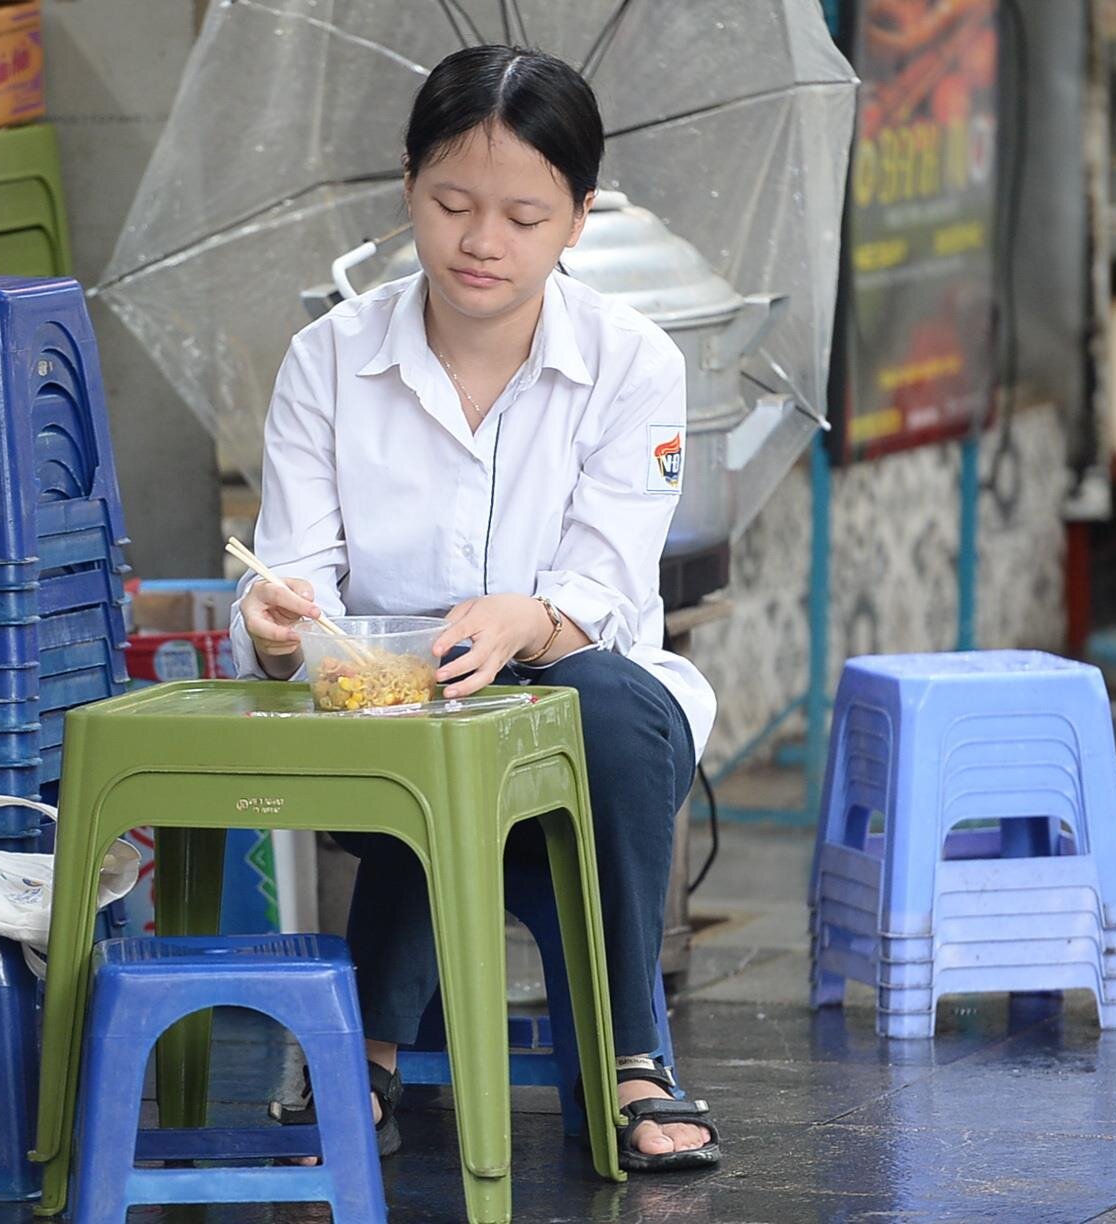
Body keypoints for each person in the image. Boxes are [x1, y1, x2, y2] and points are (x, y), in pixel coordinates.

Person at [232, 43, 718, 1173]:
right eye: (452, 203)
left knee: (588, 705)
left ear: (579, 219)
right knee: (439, 739)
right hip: (388, 703)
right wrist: (273, 625)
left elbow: (605, 586)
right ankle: (632, 1067)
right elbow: (293, 577)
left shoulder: (634, 362)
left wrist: (523, 623)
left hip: (595, 720)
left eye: (524, 215)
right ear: (408, 185)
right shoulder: (330, 359)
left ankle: (374, 1062)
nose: (482, 241)